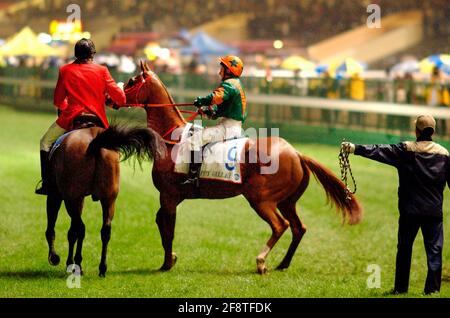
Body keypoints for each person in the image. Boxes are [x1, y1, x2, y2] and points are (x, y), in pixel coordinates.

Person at [342, 115, 449, 295]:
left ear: (416, 130)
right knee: (435, 251)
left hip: (410, 211)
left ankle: (401, 288)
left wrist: (354, 148)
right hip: (433, 213)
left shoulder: (406, 150)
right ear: (434, 131)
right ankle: (432, 290)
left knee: (405, 248)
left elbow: (379, 151)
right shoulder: (445, 155)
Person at [35, 38, 126, 195]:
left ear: (76, 54)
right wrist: (116, 90)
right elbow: (121, 100)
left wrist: (66, 109)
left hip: (72, 117)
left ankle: (48, 183)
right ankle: (107, 183)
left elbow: (58, 100)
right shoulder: (102, 70)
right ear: (92, 54)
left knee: (45, 143)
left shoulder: (65, 70)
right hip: (98, 119)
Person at [182, 55, 247, 186]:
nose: (219, 72)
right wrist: (209, 111)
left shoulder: (230, 84)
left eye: (222, 68)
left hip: (228, 128)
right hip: (230, 125)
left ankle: (193, 178)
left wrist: (201, 100)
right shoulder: (235, 84)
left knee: (194, 140)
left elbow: (216, 97)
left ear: (229, 70)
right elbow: (221, 107)